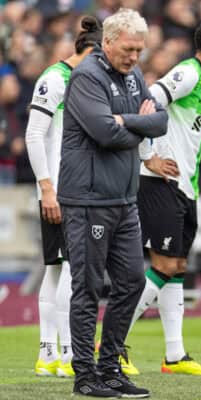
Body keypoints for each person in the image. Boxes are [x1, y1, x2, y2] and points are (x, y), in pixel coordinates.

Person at [58, 8, 167, 398]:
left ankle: (111, 367)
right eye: (129, 49)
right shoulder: (87, 76)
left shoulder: (135, 75)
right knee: (87, 287)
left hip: (124, 197)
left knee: (133, 282)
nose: (135, 57)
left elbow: (161, 120)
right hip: (88, 199)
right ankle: (85, 375)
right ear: (108, 42)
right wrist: (130, 123)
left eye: (140, 50)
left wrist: (126, 123)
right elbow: (104, 132)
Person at [128, 20, 201, 376]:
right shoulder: (189, 74)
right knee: (162, 265)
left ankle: (174, 356)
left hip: (183, 186)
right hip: (161, 182)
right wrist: (149, 157)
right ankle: (112, 345)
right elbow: (148, 100)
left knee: (176, 268)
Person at [25, 15, 103, 379]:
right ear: (90, 52)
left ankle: (48, 353)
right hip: (60, 190)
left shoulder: (85, 81)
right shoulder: (55, 79)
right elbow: (34, 135)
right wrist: (46, 188)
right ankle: (71, 353)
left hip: (76, 188)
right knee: (71, 270)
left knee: (57, 270)